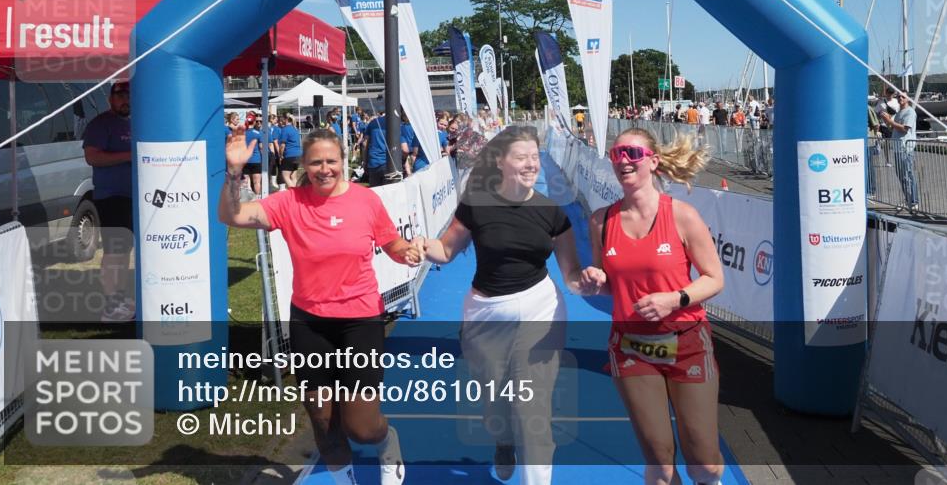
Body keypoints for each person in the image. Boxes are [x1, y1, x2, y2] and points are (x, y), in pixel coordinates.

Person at [221, 128, 420, 485]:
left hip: (360, 321)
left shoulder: (365, 200)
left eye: (331, 161)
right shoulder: (288, 202)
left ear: (343, 162)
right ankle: (344, 478)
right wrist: (234, 172)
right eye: (316, 162)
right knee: (323, 419)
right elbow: (232, 216)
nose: (324, 169)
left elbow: (391, 242)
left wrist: (406, 251)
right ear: (304, 165)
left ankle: (387, 442)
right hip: (309, 324)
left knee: (360, 427)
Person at [412, 125, 595, 485]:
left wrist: (585, 282)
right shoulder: (475, 205)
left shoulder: (552, 213)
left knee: (532, 410)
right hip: (485, 315)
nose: (531, 164)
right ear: (499, 161)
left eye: (533, 157)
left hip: (539, 311)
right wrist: (421, 245)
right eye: (521, 157)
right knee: (494, 404)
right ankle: (502, 440)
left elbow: (571, 274)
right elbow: (445, 250)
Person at [584, 127, 725, 485]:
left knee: (704, 462)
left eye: (632, 153)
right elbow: (611, 286)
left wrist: (673, 299)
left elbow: (714, 278)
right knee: (660, 461)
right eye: (616, 154)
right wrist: (595, 284)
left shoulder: (682, 215)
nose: (623, 161)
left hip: (687, 342)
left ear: (653, 161)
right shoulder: (601, 221)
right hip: (631, 347)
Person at [83, 78, 135, 322]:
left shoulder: (138, 121)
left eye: (129, 95)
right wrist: (129, 155)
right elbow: (92, 158)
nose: (125, 99)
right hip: (111, 197)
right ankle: (110, 306)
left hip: (134, 197)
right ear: (110, 99)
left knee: (124, 251)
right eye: (120, 95)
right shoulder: (101, 124)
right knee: (114, 252)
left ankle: (121, 298)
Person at [880, 92, 920, 213]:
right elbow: (893, 128)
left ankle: (914, 201)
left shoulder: (910, 112)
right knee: (901, 176)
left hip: (905, 148)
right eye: (899, 97)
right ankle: (908, 199)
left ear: (908, 99)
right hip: (897, 148)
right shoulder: (899, 113)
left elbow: (904, 129)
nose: (900, 98)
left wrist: (890, 121)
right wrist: (887, 121)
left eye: (903, 96)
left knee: (908, 175)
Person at [279, 115, 303, 188]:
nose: (280, 121)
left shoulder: (285, 129)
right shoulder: (295, 129)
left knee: (285, 175)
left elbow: (282, 145)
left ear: (286, 120)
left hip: (290, 155)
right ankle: (297, 194)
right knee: (293, 176)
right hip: (298, 154)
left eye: (281, 120)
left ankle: (295, 193)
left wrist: (280, 156)